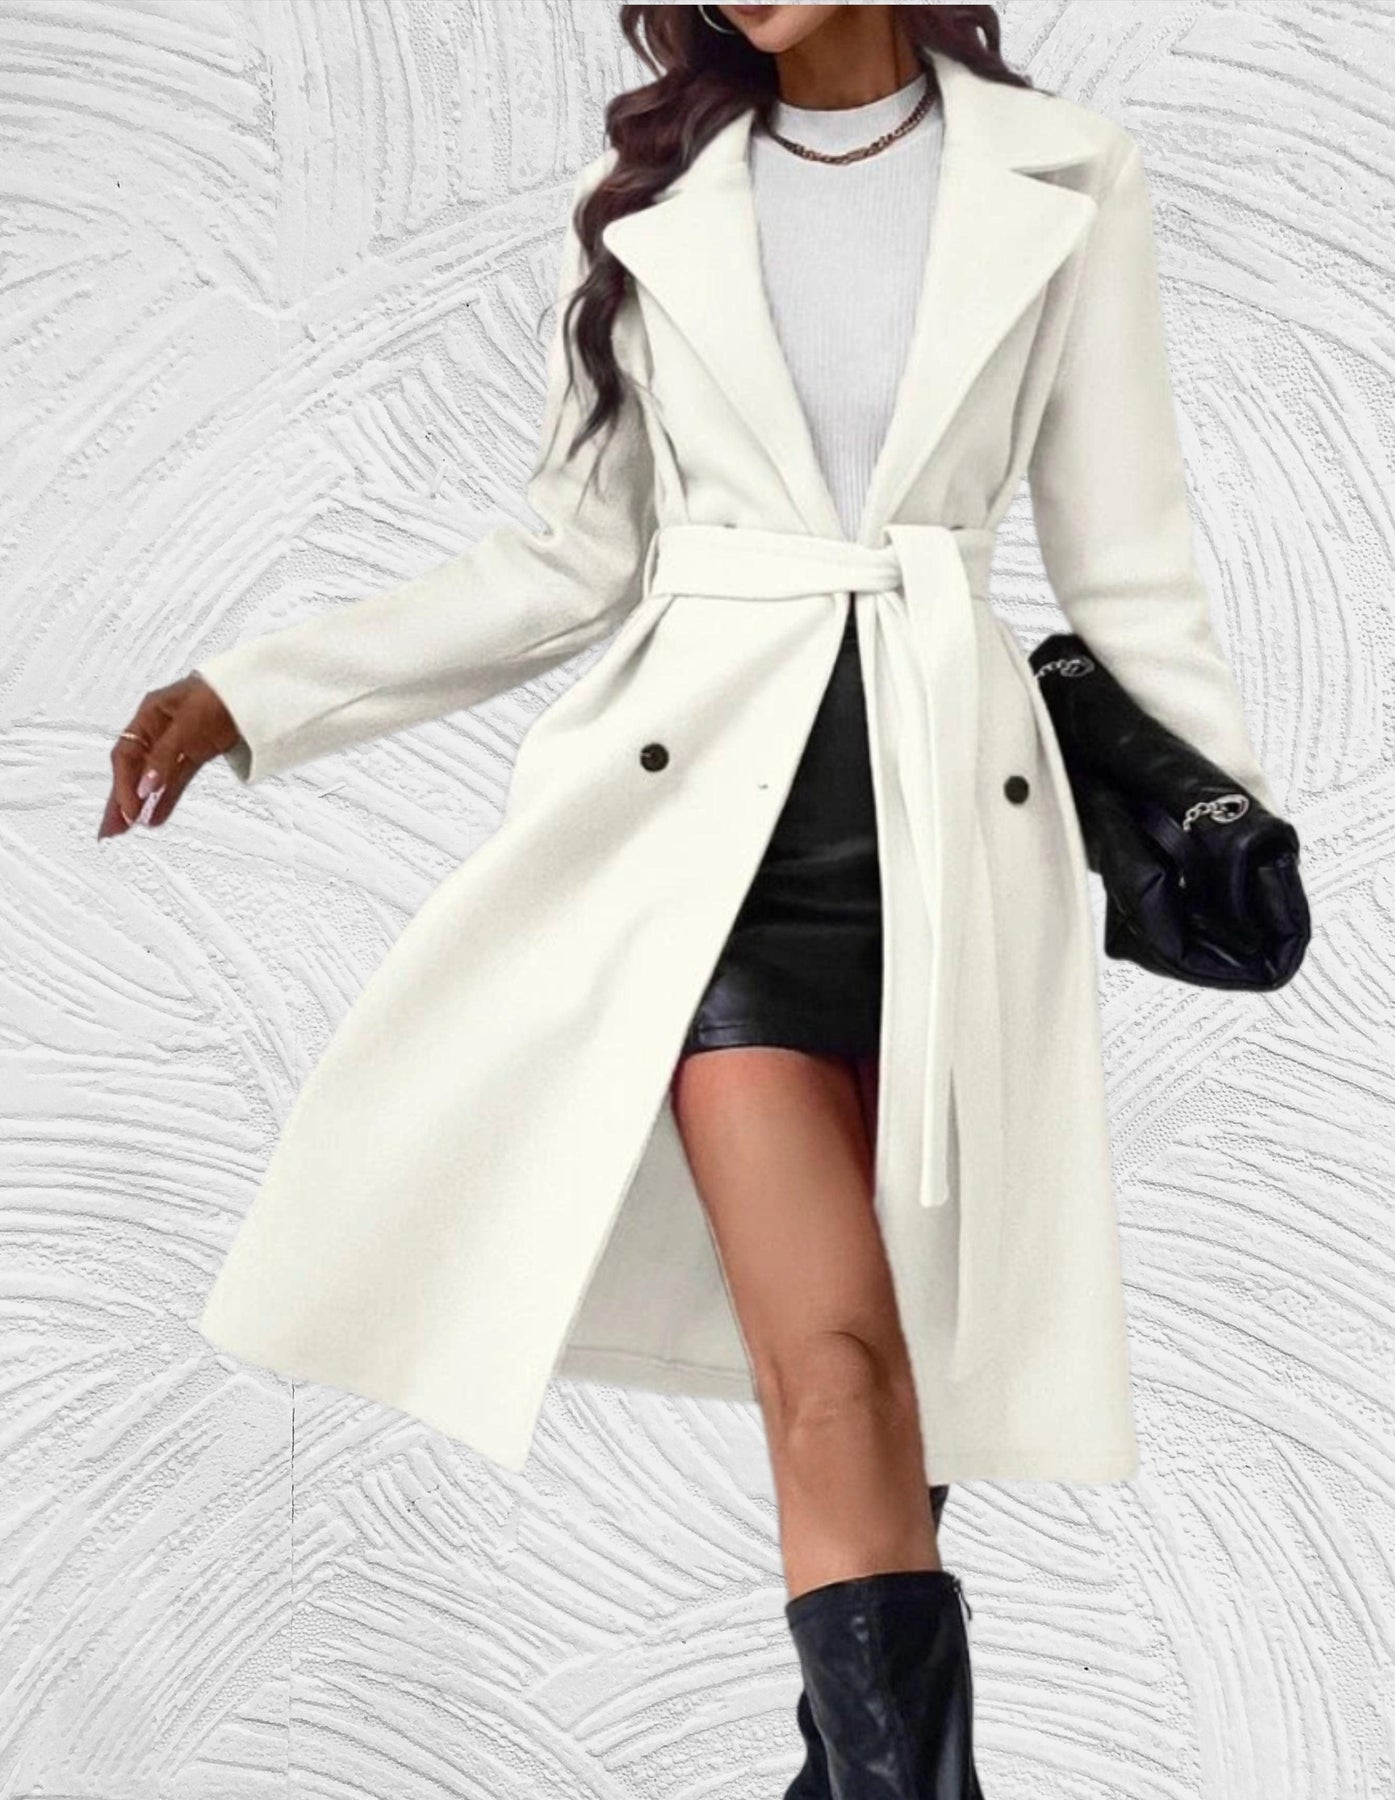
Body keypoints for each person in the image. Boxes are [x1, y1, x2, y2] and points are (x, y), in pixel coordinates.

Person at [100, 8, 1280, 1794]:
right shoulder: (655, 189)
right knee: (835, 1374)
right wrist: (257, 692)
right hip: (712, 857)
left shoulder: (1065, 174)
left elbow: (1128, 561)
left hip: (959, 851)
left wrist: (1227, 819)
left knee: (910, 1419)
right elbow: (565, 559)